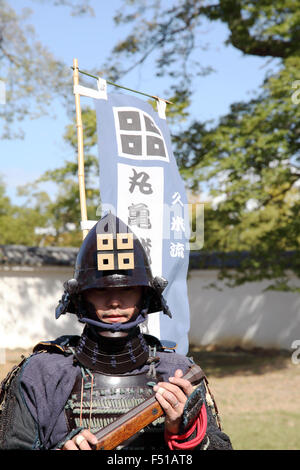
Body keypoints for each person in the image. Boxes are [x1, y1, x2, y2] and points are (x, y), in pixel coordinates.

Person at [0, 213, 232, 451]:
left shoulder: (178, 372)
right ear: (81, 298)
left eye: (128, 289)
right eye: (100, 291)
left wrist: (184, 433)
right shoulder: (42, 373)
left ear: (145, 296)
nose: (114, 302)